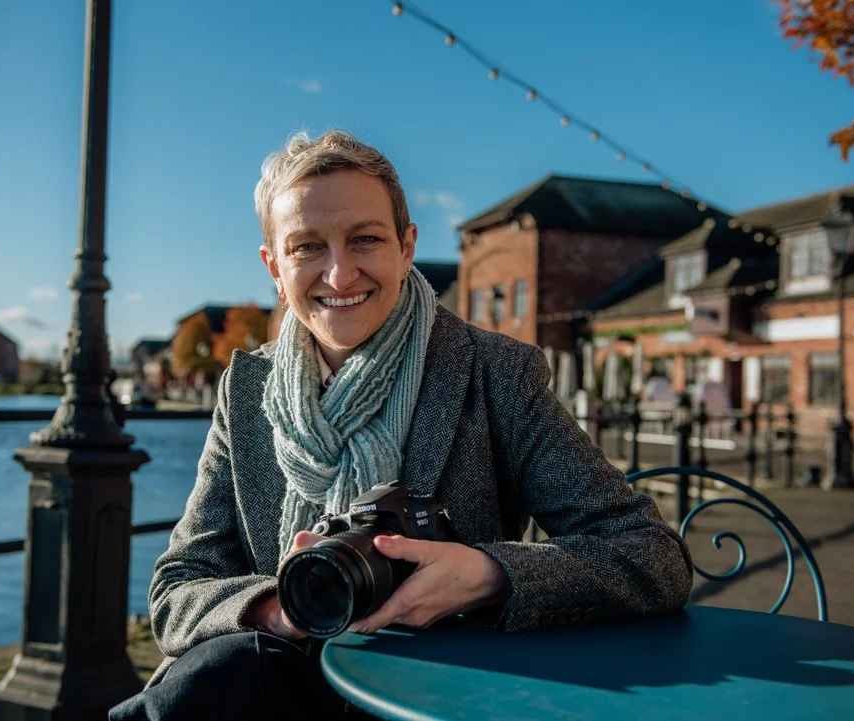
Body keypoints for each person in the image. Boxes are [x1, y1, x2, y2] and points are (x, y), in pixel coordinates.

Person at [110, 130, 693, 720]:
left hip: (435, 699)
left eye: (365, 239)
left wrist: (488, 574)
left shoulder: (495, 373)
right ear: (275, 268)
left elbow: (652, 556)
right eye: (307, 247)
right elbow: (177, 590)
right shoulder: (245, 388)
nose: (340, 275)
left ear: (406, 246)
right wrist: (279, 608)